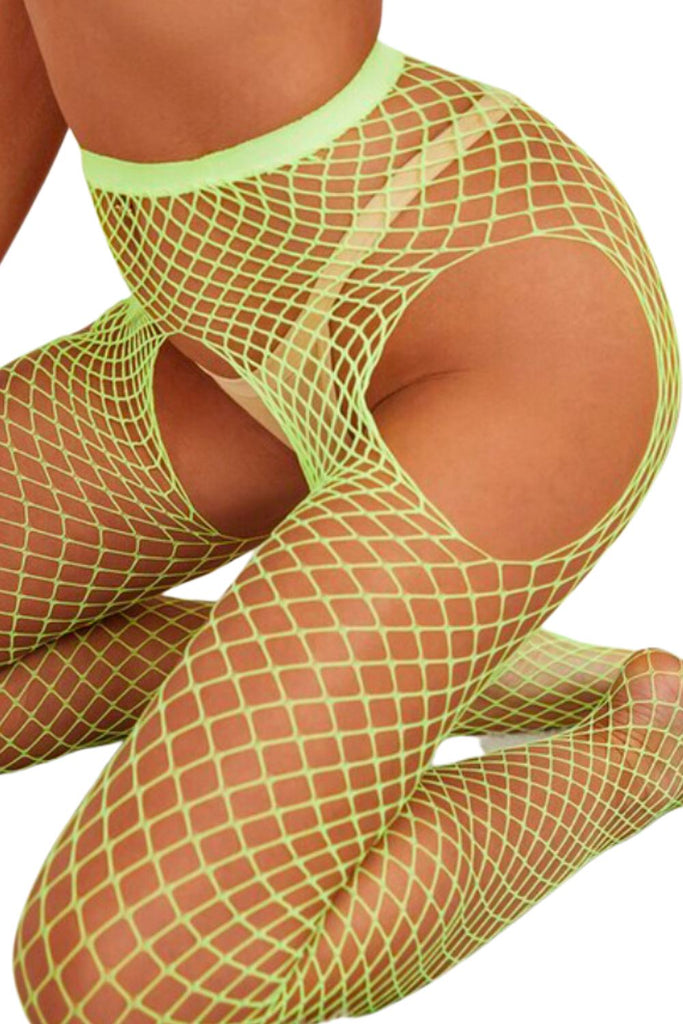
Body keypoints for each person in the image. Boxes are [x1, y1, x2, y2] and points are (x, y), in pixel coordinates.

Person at [2, 1, 681, 1020]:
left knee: (127, 985)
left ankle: (652, 739)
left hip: (502, 343)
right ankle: (434, 673)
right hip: (218, 341)